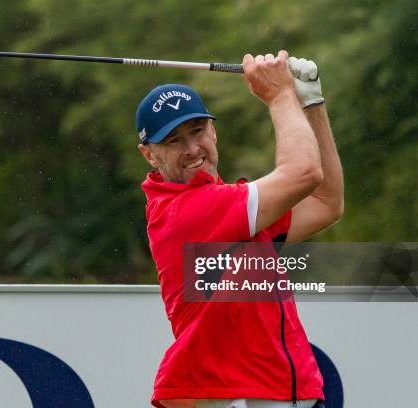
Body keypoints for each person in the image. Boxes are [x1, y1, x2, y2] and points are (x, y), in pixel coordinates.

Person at [136, 50, 344, 408]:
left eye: (198, 131)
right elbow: (303, 174)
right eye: (173, 141)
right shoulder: (184, 211)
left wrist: (311, 104)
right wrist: (280, 96)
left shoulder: (234, 209)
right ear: (149, 156)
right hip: (236, 397)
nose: (192, 148)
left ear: (213, 131)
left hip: (277, 393)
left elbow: (326, 203)